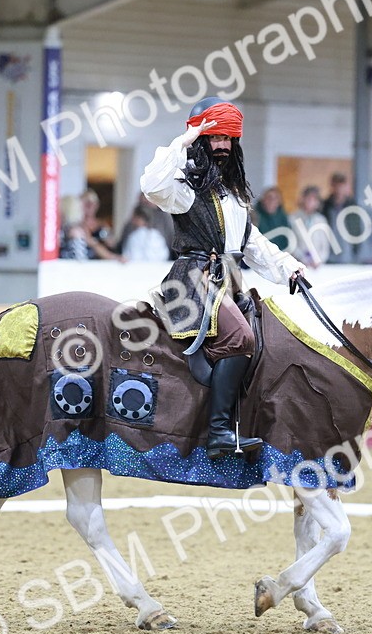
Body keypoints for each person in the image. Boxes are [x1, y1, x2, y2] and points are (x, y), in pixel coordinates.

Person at [140, 96, 305, 459]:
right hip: (192, 280)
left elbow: (251, 242)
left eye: (228, 139)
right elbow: (151, 185)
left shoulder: (234, 193)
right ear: (201, 141)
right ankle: (218, 434)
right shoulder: (184, 188)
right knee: (241, 337)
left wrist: (288, 267)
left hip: (229, 279)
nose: (222, 146)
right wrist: (183, 140)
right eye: (215, 138)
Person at [322, 172, 360, 262]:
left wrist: (356, 250)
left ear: (346, 187)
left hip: (348, 253)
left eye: (341, 186)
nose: (339, 190)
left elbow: (358, 230)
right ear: (332, 187)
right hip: (328, 252)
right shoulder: (325, 207)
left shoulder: (353, 207)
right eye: (336, 186)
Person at [291, 185, 330, 268]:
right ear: (303, 199)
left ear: (318, 202)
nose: (311, 201)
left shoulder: (321, 220)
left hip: (318, 267)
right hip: (299, 264)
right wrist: (304, 259)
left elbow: (325, 246)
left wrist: (319, 260)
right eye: (308, 198)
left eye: (314, 199)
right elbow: (292, 244)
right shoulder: (293, 218)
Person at [253, 186, 291, 251]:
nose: (272, 201)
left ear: (279, 202)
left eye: (275, 198)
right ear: (263, 200)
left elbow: (287, 240)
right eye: (269, 198)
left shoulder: (283, 217)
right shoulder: (254, 215)